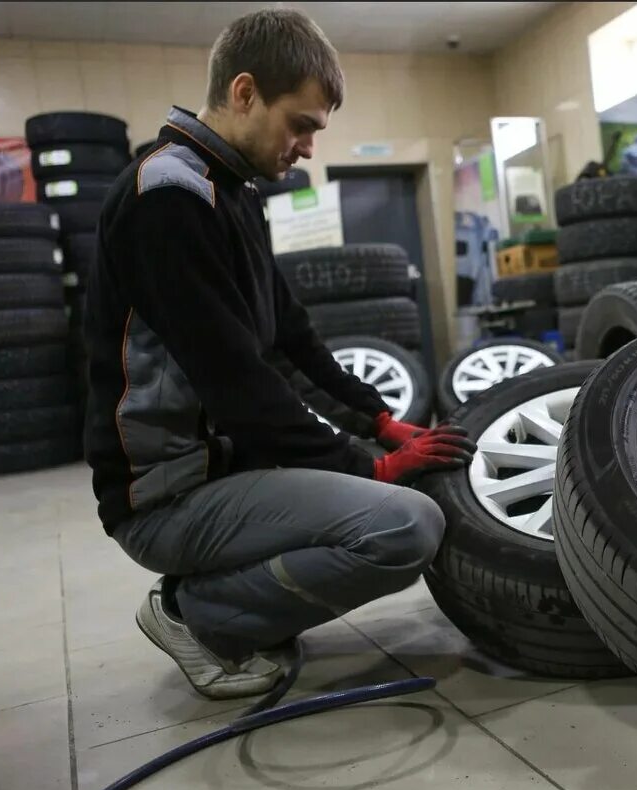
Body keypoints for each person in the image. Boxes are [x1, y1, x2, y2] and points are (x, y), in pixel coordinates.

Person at [82, 8, 476, 700]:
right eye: (301, 125)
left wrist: (379, 419)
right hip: (166, 498)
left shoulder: (230, 191)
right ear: (243, 93)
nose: (307, 147)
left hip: (224, 470)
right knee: (405, 526)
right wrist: (371, 466)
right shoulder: (168, 197)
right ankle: (194, 615)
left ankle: (231, 599)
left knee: (378, 496)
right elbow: (236, 380)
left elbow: (290, 334)